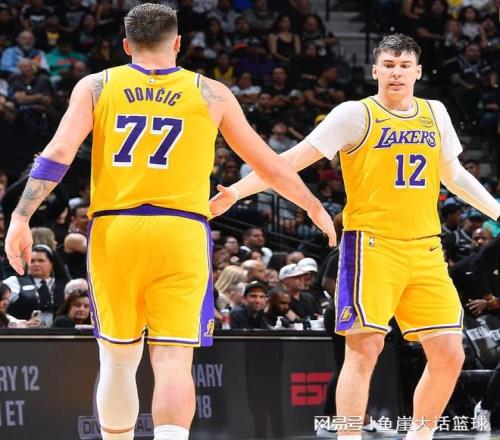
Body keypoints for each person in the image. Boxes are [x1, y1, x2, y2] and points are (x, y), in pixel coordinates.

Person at [4, 4, 336, 440]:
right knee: (174, 361)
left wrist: (21, 216)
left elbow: (58, 154)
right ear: (178, 43)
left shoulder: (97, 85)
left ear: (126, 45)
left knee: (117, 360)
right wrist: (313, 206)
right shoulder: (212, 92)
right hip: (181, 231)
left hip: (116, 231)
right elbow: (271, 166)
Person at [210, 33, 500, 440]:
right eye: (389, 65)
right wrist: (237, 192)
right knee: (364, 350)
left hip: (426, 248)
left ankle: (420, 436)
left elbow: (454, 175)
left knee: (450, 354)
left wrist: (497, 211)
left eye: (404, 66)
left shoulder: (435, 112)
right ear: (375, 70)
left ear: (417, 71)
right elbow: (291, 160)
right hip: (372, 247)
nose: (396, 73)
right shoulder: (354, 114)